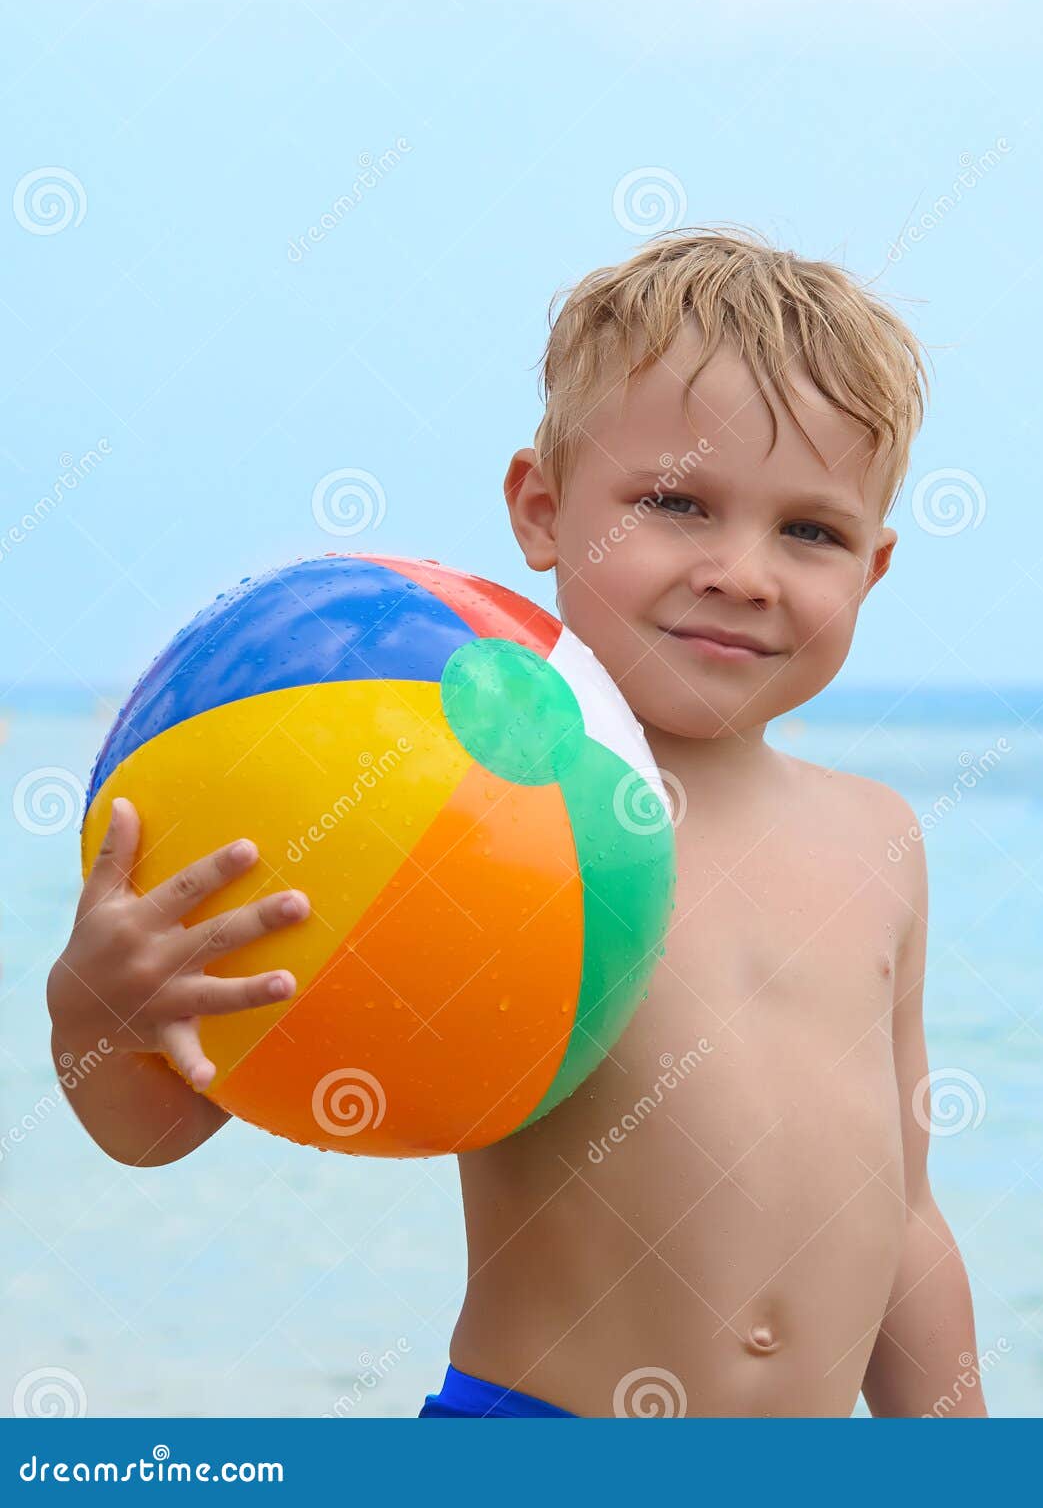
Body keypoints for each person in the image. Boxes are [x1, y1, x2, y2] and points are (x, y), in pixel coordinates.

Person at [46, 226, 987, 1418]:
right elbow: (164, 1125)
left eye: (811, 531)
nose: (744, 572)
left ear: (875, 567)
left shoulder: (877, 840)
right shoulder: (474, 818)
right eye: (677, 503)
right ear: (542, 512)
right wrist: (98, 1011)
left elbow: (902, 1213)